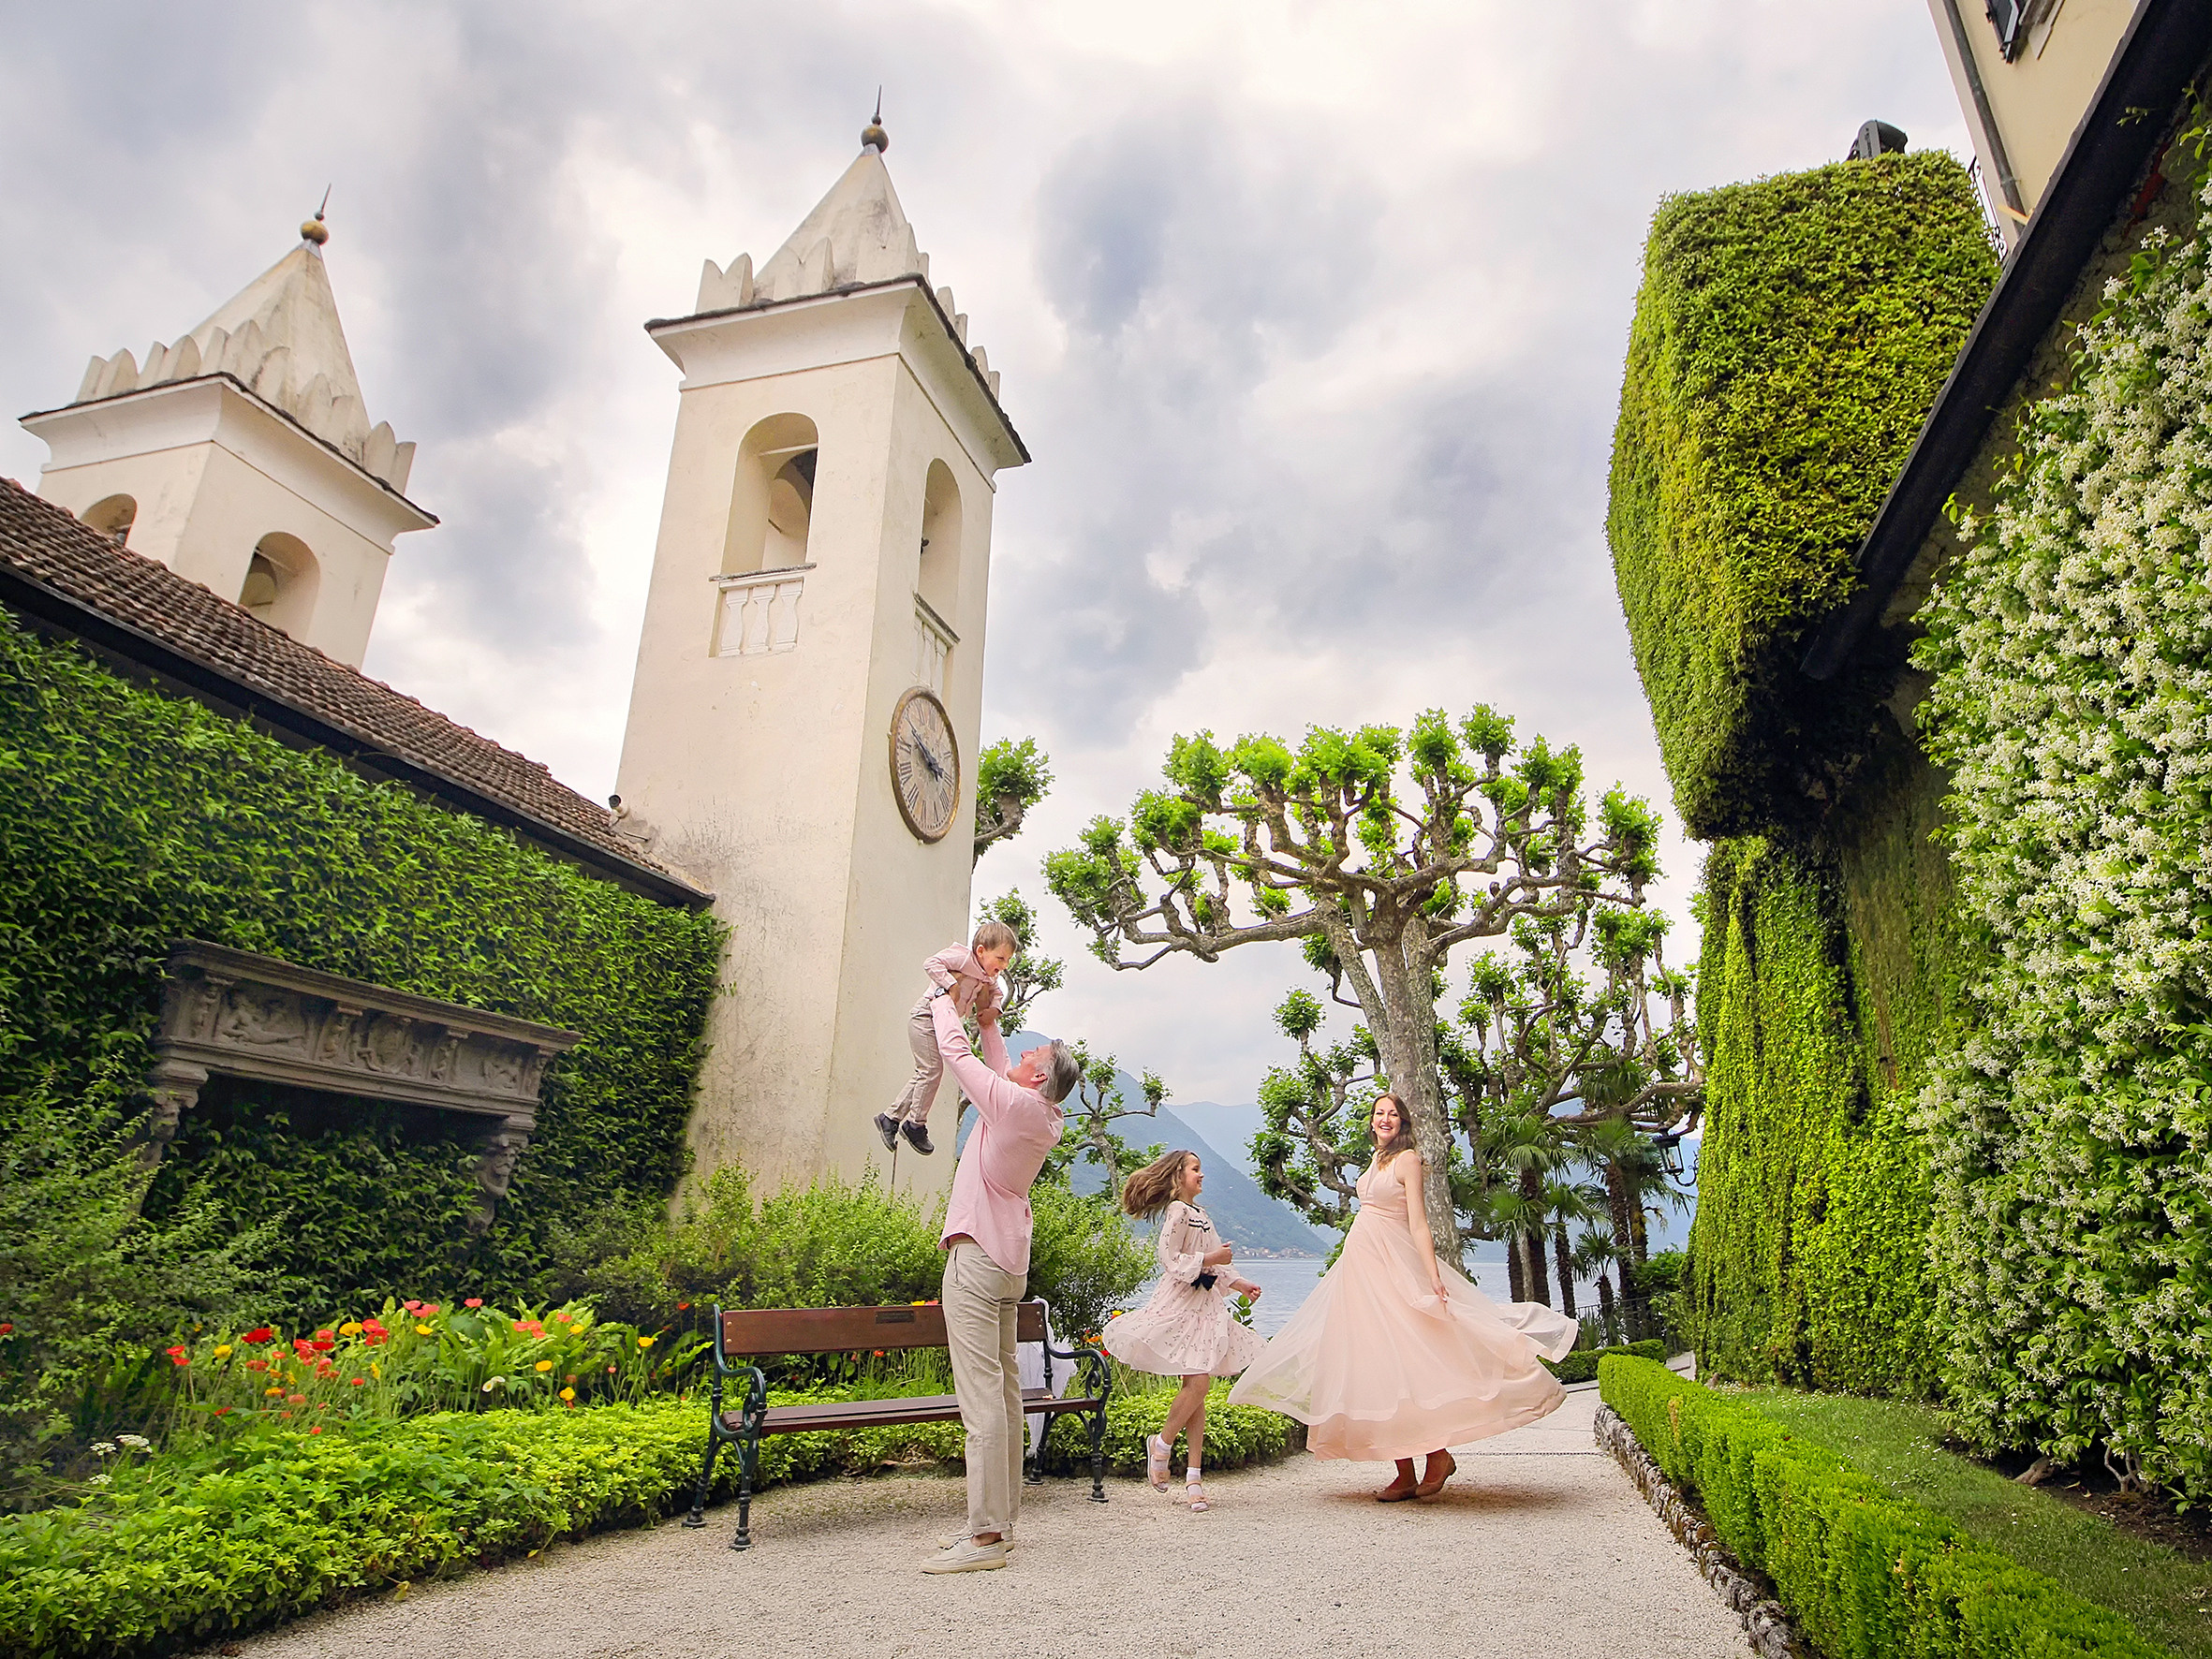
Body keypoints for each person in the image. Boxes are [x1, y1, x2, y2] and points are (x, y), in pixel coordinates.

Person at [1229, 1092, 1577, 1500]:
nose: (1385, 1119)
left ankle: (1437, 1457)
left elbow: (1418, 1223)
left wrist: (1432, 1274)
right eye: (1379, 1113)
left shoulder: (1408, 1160)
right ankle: (1404, 1471)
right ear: (1371, 1121)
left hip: (1394, 1269)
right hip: (1360, 1274)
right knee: (1376, 1366)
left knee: (1410, 1361)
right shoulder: (1375, 1159)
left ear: (1403, 1122)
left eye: (1392, 1114)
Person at [922, 988, 1080, 1574]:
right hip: (1007, 1263)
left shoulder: (1014, 1106)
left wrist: (943, 999)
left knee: (982, 1398)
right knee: (1007, 1395)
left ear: (1038, 1078)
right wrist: (990, 1022)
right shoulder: (1039, 1113)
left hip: (978, 1257)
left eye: (1033, 1055)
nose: (1023, 1053)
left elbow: (957, 1057)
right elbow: (998, 1070)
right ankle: (1000, 1522)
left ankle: (986, 1536)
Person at [1101, 1149, 1266, 1513]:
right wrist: (1210, 1259)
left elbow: (1217, 1262)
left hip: (1204, 1307)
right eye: (1195, 1169)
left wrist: (1239, 1284)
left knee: (1197, 1389)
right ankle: (1161, 1445)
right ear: (1178, 1177)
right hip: (1180, 1305)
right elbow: (1169, 1258)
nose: (1201, 1175)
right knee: (1199, 1384)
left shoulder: (1201, 1215)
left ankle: (1194, 1477)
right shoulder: (1177, 1212)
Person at [875, 920, 1018, 1156]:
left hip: (942, 1023)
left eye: (1008, 960)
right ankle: (915, 1125)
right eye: (1000, 958)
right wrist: (952, 985)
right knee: (931, 1070)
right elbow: (931, 963)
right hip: (926, 1016)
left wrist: (994, 1009)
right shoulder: (963, 958)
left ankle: (891, 1118)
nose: (1003, 966)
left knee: (927, 1073)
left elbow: (996, 993)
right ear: (981, 951)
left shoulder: (987, 977)